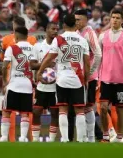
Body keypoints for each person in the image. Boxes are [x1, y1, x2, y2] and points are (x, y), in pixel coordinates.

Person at [37, 14, 90, 143]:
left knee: (62, 109)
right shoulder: (82, 40)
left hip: (62, 79)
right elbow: (87, 63)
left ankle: (65, 139)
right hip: (77, 79)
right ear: (75, 24)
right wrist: (86, 79)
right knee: (79, 110)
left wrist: (39, 72)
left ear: (64, 25)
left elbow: (49, 57)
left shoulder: (58, 39)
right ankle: (82, 139)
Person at [98, 9, 123, 143]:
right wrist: (97, 76)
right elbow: (98, 57)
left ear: (122, 20)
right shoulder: (102, 36)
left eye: (117, 18)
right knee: (102, 108)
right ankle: (106, 135)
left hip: (120, 81)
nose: (114, 20)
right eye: (113, 17)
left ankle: (119, 136)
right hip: (105, 79)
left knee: (120, 111)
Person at [0, 16, 37, 142]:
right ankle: (22, 137)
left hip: (13, 84)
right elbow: (35, 66)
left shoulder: (12, 48)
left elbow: (4, 67)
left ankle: (4, 137)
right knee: (25, 113)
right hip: (27, 85)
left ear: (16, 35)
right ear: (27, 36)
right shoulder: (33, 48)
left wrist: (5, 82)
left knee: (6, 111)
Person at [74, 9, 102, 143]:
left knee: (88, 106)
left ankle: (91, 137)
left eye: (79, 19)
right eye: (75, 19)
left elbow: (98, 54)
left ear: (85, 20)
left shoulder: (90, 33)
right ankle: (85, 136)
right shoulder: (77, 33)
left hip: (88, 77)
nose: (76, 22)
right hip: (79, 76)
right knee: (81, 106)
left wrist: (91, 72)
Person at [31, 22, 59, 142]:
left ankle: (52, 140)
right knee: (36, 112)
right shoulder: (37, 46)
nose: (55, 31)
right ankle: (36, 140)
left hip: (56, 86)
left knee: (54, 112)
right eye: (53, 29)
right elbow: (32, 65)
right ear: (46, 30)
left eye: (57, 29)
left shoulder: (60, 46)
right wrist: (45, 64)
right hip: (41, 85)